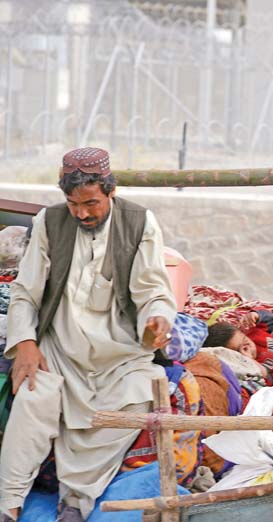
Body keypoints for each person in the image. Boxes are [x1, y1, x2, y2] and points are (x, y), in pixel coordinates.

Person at [0, 148, 176, 521]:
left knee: (138, 393)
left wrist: (158, 318)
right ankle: (8, 505)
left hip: (119, 354)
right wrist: (26, 344)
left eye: (90, 203)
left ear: (110, 192)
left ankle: (75, 501)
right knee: (32, 400)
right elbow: (25, 291)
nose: (81, 213)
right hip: (60, 348)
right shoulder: (50, 222)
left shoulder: (141, 222)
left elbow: (153, 291)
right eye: (73, 203)